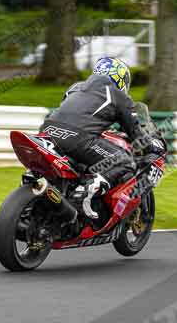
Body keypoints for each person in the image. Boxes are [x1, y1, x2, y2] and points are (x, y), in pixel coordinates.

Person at [39, 57, 165, 219]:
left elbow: (75, 113)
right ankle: (88, 190)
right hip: (78, 139)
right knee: (125, 161)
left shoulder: (75, 88)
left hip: (47, 132)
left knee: (74, 165)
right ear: (121, 79)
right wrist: (151, 146)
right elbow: (135, 134)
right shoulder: (119, 96)